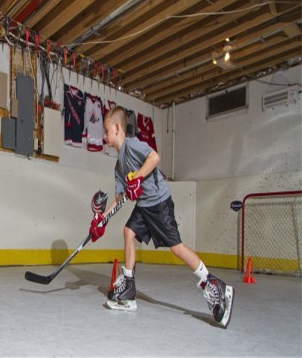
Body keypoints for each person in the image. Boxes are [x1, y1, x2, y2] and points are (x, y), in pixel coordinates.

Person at [89, 106, 234, 327]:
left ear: (117, 128)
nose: (105, 138)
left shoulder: (133, 145)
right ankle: (128, 290)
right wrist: (102, 220)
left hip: (159, 203)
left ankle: (213, 284)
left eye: (107, 131)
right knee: (128, 231)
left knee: (175, 247)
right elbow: (120, 198)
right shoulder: (118, 165)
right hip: (144, 206)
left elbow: (154, 157)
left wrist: (137, 177)